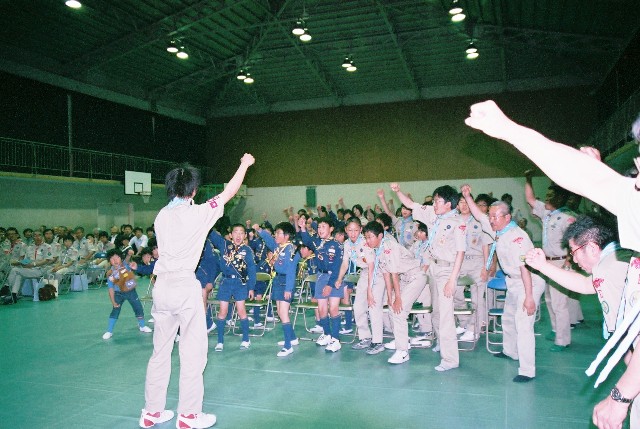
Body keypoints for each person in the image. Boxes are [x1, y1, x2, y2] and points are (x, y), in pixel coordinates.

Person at [465, 102, 640, 424]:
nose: (636, 174)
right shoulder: (610, 262)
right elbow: (586, 284)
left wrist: (621, 397)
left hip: (632, 379)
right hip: (632, 368)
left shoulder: (613, 261)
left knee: (550, 312)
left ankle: (548, 349)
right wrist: (507, 129)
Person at [139, 154, 254, 429]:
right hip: (184, 286)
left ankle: (151, 412)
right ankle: (188, 415)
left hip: (161, 287)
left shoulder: (161, 216)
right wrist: (244, 164)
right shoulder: (199, 213)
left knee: (160, 352)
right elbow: (229, 192)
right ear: (193, 191)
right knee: (192, 352)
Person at [462, 185, 545, 382]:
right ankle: (510, 351)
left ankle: (527, 370)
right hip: (513, 281)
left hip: (528, 282)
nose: (490, 220)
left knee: (523, 325)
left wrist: (529, 298)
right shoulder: (498, 231)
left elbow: (526, 269)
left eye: (495, 217)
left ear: (507, 217)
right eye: (490, 216)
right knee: (508, 318)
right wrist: (467, 196)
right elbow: (478, 215)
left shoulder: (517, 238)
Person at [391, 183, 466, 372]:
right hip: (433, 267)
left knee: (446, 316)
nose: (434, 204)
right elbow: (412, 204)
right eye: (434, 200)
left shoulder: (458, 223)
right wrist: (398, 191)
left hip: (447, 270)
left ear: (448, 204)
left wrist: (452, 280)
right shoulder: (434, 214)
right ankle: (441, 342)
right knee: (437, 312)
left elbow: (460, 252)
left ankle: (450, 360)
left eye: (438, 201)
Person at [525, 215, 633, 339]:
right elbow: (585, 284)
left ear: (592, 248)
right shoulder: (616, 259)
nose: (575, 260)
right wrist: (542, 266)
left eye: (574, 252)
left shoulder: (608, 268)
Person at [363, 220, 427, 364]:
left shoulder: (389, 247)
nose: (368, 240)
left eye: (370, 237)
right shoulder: (378, 249)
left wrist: (397, 297)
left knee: (399, 310)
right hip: (404, 278)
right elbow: (386, 274)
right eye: (366, 237)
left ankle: (402, 351)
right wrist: (390, 296)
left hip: (415, 277)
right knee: (392, 308)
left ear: (380, 236)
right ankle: (402, 340)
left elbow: (394, 274)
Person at [525, 173, 576, 352]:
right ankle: (555, 330)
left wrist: (568, 262)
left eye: (550, 196)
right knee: (549, 299)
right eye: (546, 195)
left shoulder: (568, 217)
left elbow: (575, 241)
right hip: (547, 263)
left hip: (561, 263)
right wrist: (528, 179)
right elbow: (530, 199)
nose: (546, 198)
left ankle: (563, 340)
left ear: (560, 198)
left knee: (559, 303)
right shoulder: (547, 213)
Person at [254, 221, 301, 357]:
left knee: (284, 313)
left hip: (286, 282)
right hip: (278, 280)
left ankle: (288, 346)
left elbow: (291, 271)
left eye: (279, 233)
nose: (276, 235)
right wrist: (260, 230)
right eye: (276, 233)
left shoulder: (291, 250)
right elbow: (269, 240)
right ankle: (292, 338)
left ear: (287, 236)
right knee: (280, 313)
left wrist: (289, 289)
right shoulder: (279, 247)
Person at [298, 216, 344, 352]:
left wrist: (330, 285)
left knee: (333, 309)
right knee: (322, 309)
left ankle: (336, 339)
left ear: (331, 229)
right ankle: (327, 334)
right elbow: (307, 240)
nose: (320, 229)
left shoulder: (337, 245)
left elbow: (337, 267)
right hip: (321, 276)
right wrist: (303, 228)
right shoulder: (318, 242)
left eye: (324, 226)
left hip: (334, 278)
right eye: (319, 227)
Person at [209, 224, 256, 351]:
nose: (238, 235)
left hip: (240, 283)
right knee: (222, 312)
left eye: (241, 233)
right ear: (231, 235)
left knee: (241, 311)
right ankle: (220, 341)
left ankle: (246, 339)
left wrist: (251, 287)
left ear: (245, 235)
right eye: (235, 232)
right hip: (225, 282)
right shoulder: (224, 245)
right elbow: (211, 234)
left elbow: (252, 269)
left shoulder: (247, 250)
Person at [102, 248, 152, 340]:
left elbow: (127, 259)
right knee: (115, 310)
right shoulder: (110, 274)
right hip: (118, 294)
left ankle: (142, 326)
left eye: (117, 257)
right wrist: (113, 302)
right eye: (112, 259)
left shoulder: (125, 265)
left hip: (131, 292)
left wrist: (129, 254)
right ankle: (109, 331)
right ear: (109, 261)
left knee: (138, 308)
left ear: (121, 258)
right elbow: (111, 289)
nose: (115, 260)